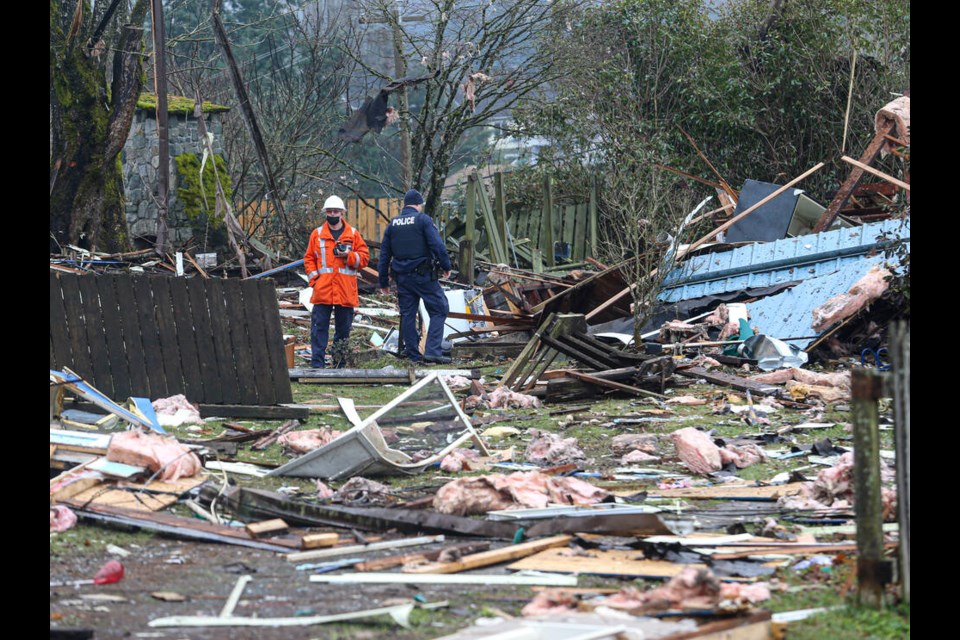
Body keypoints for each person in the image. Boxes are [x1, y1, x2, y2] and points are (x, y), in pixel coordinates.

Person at [378, 189, 453, 364]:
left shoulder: (393, 224)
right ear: (419, 205)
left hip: (402, 279)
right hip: (424, 276)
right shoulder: (422, 220)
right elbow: (437, 246)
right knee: (439, 308)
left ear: (405, 205)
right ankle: (433, 351)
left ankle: (413, 355)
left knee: (408, 314)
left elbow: (384, 255)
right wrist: (446, 266)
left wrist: (383, 281)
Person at [304, 195, 369, 368]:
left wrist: (348, 255)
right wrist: (314, 281)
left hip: (345, 290)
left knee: (343, 331)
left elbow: (364, 259)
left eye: (336, 211)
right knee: (318, 329)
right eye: (330, 211)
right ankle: (317, 364)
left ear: (342, 213)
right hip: (323, 290)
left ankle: (339, 364)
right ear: (325, 212)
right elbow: (309, 259)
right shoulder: (317, 235)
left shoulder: (353, 234)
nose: (333, 214)